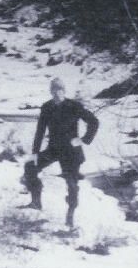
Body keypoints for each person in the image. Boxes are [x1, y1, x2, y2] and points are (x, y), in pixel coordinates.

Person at [23, 78, 98, 227]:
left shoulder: (74, 106)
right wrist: (35, 152)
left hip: (71, 151)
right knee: (30, 166)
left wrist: (83, 139)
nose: (57, 93)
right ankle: (36, 202)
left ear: (64, 91)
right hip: (54, 149)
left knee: (71, 184)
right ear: (51, 92)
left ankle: (70, 217)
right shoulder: (47, 107)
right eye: (54, 90)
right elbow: (40, 131)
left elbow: (93, 121)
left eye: (60, 90)